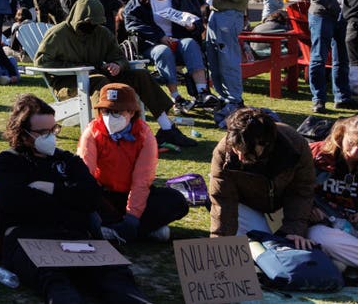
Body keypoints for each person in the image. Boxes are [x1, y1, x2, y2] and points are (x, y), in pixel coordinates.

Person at [0, 94, 152, 303]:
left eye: (53, 130)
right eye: (42, 132)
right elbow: (15, 203)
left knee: (117, 278)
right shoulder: (9, 162)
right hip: (31, 239)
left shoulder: (67, 160)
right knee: (55, 283)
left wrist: (52, 189)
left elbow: (92, 197)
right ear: (23, 135)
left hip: (78, 238)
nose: (50, 136)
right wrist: (69, 199)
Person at [35, 0, 197, 149]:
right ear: (78, 18)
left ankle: (167, 129)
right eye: (87, 24)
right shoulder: (58, 34)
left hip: (98, 78)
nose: (91, 28)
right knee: (101, 82)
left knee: (141, 75)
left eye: (95, 24)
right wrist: (76, 67)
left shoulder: (101, 33)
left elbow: (119, 56)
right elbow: (41, 61)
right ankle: (106, 135)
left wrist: (117, 65)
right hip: (68, 84)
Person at [76, 84, 189, 244]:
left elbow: (142, 181)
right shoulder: (92, 132)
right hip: (105, 195)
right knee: (80, 200)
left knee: (176, 201)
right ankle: (139, 231)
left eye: (117, 112)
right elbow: (85, 173)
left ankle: (116, 230)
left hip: (135, 196)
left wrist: (132, 217)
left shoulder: (145, 135)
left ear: (131, 112)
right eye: (107, 112)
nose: (110, 117)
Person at [209, 107, 314, 250]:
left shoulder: (295, 145)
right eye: (236, 150)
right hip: (247, 208)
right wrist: (220, 243)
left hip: (283, 209)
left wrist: (293, 230)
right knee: (252, 247)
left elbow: (301, 191)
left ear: (266, 142)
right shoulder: (223, 152)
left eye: (247, 153)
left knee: (286, 247)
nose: (240, 157)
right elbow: (223, 201)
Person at [122, 0, 215, 112]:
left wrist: (192, 27)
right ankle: (176, 97)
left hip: (178, 42)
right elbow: (133, 23)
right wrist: (160, 37)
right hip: (152, 44)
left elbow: (195, 18)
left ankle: (202, 92)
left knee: (190, 43)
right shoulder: (140, 1)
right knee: (163, 51)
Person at [307, 116, 358, 268]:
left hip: (352, 228)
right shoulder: (317, 155)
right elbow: (293, 191)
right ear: (341, 134)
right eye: (352, 143)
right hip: (323, 226)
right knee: (321, 236)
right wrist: (309, 209)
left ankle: (344, 263)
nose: (355, 151)